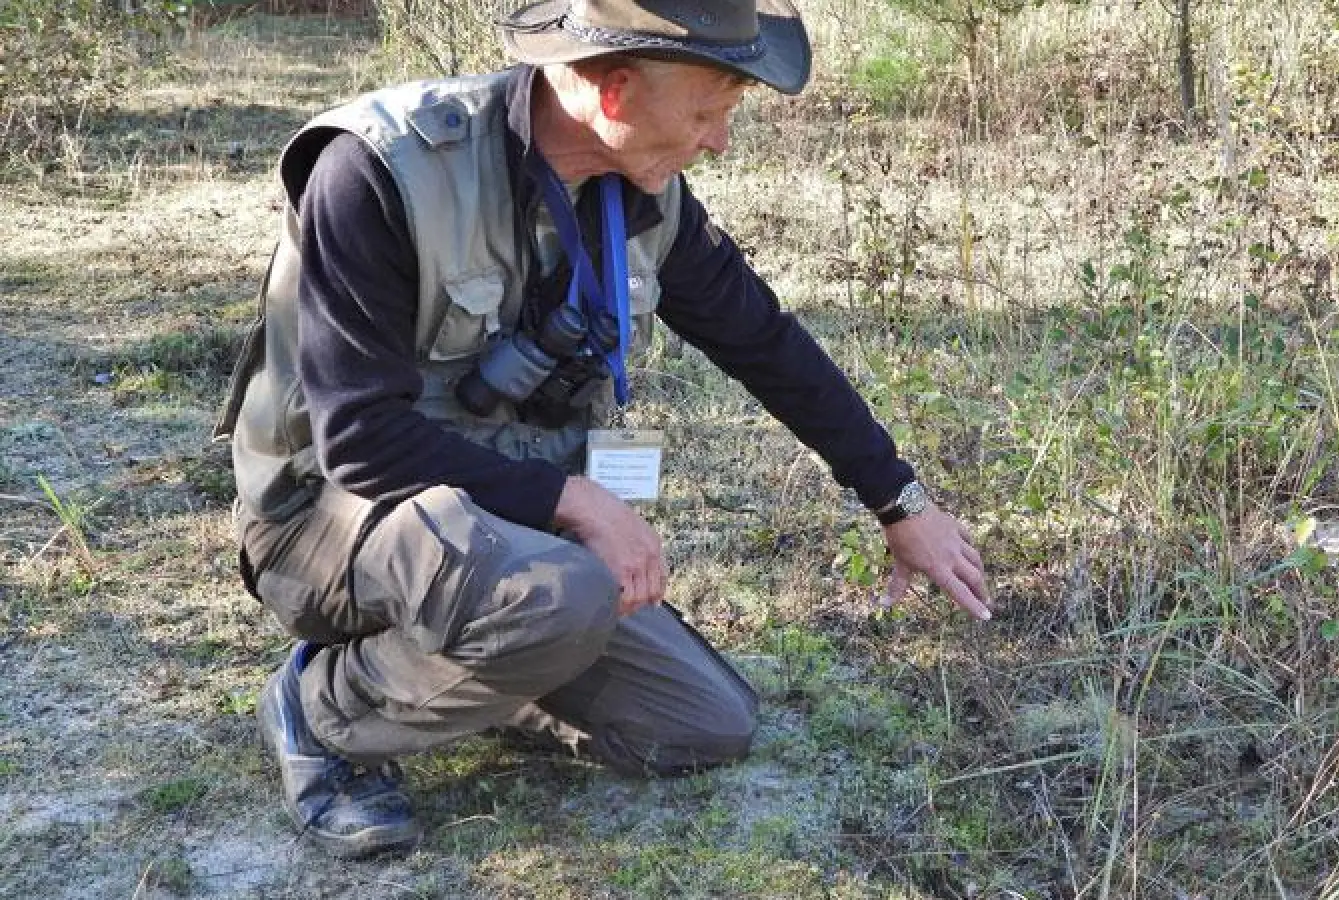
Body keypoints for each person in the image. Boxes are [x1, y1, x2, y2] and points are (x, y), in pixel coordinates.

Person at [214, 0, 991, 859]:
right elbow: (358, 440)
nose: (719, 142)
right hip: (324, 519)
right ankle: (321, 710)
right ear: (615, 93)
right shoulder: (379, 170)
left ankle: (486, 657)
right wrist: (577, 501)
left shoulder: (642, 198)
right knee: (562, 597)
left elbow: (766, 343)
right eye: (707, 112)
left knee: (700, 724)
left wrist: (898, 499)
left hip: (509, 535)